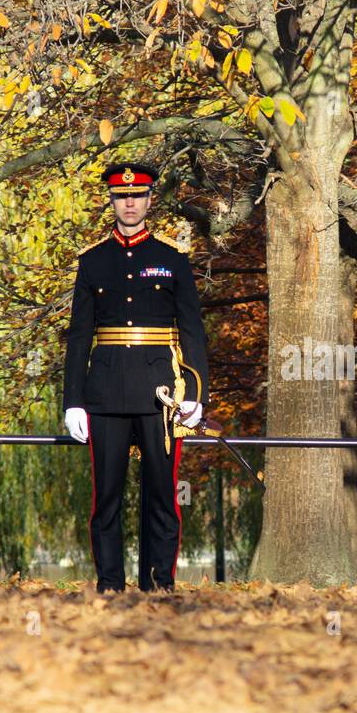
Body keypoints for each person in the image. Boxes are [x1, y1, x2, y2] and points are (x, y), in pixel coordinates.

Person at [62, 162, 209, 592]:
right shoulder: (92, 261)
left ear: (149, 200)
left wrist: (196, 395)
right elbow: (79, 336)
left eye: (138, 195)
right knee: (106, 499)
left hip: (160, 396)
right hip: (104, 394)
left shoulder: (172, 259)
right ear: (111, 200)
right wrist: (72, 399)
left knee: (162, 499)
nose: (130, 203)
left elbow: (193, 332)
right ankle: (109, 586)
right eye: (122, 196)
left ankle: (158, 584)